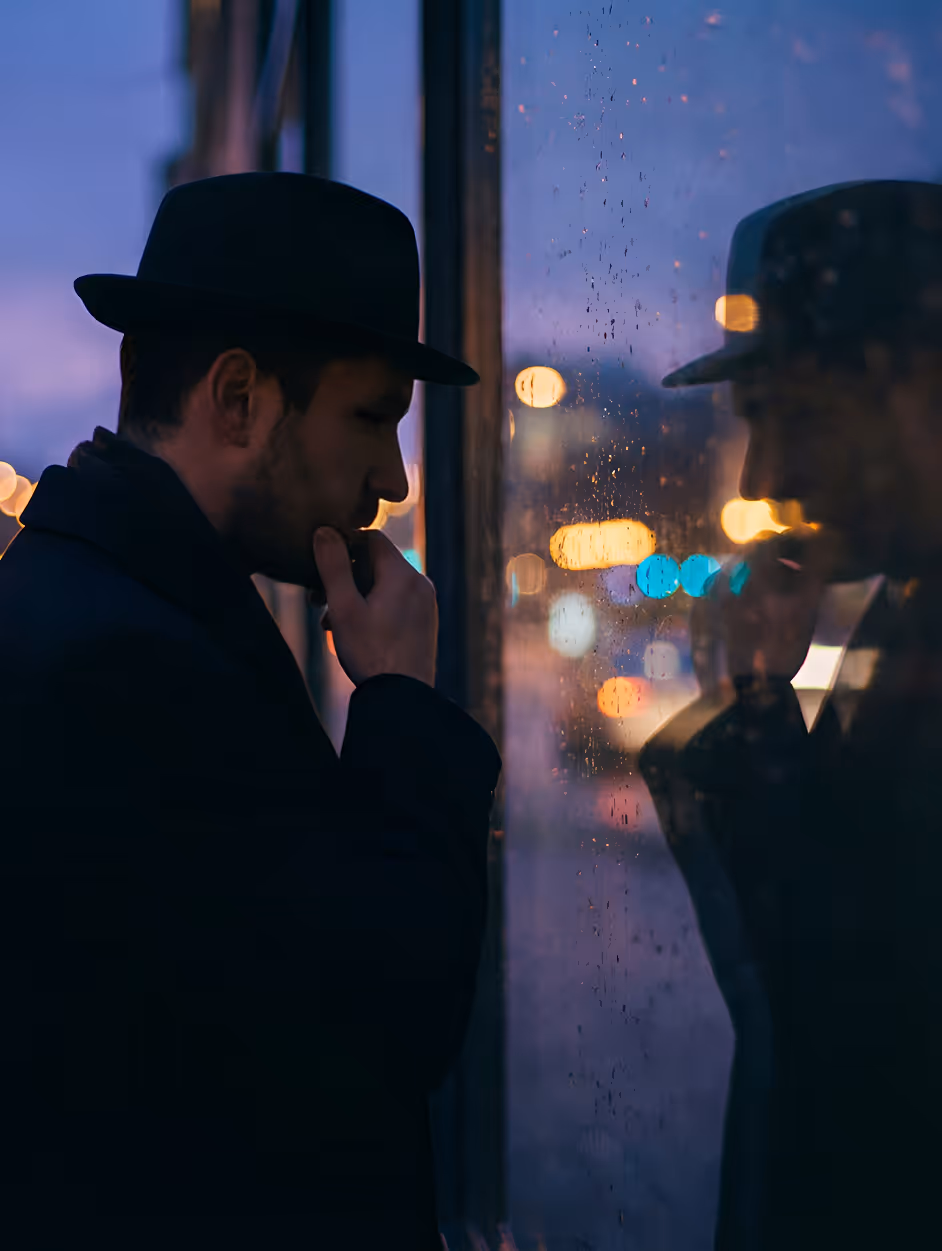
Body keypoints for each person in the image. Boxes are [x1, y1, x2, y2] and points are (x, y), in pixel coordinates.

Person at [0, 173, 500, 1250]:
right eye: (371, 418)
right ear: (237, 400)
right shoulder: (124, 670)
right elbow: (389, 1017)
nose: (395, 478)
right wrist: (404, 704)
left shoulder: (95, 603)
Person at [640, 180, 942, 1251]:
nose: (767, 480)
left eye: (792, 419)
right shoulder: (908, 611)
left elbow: (854, 1024)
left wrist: (760, 717)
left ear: (907, 391)